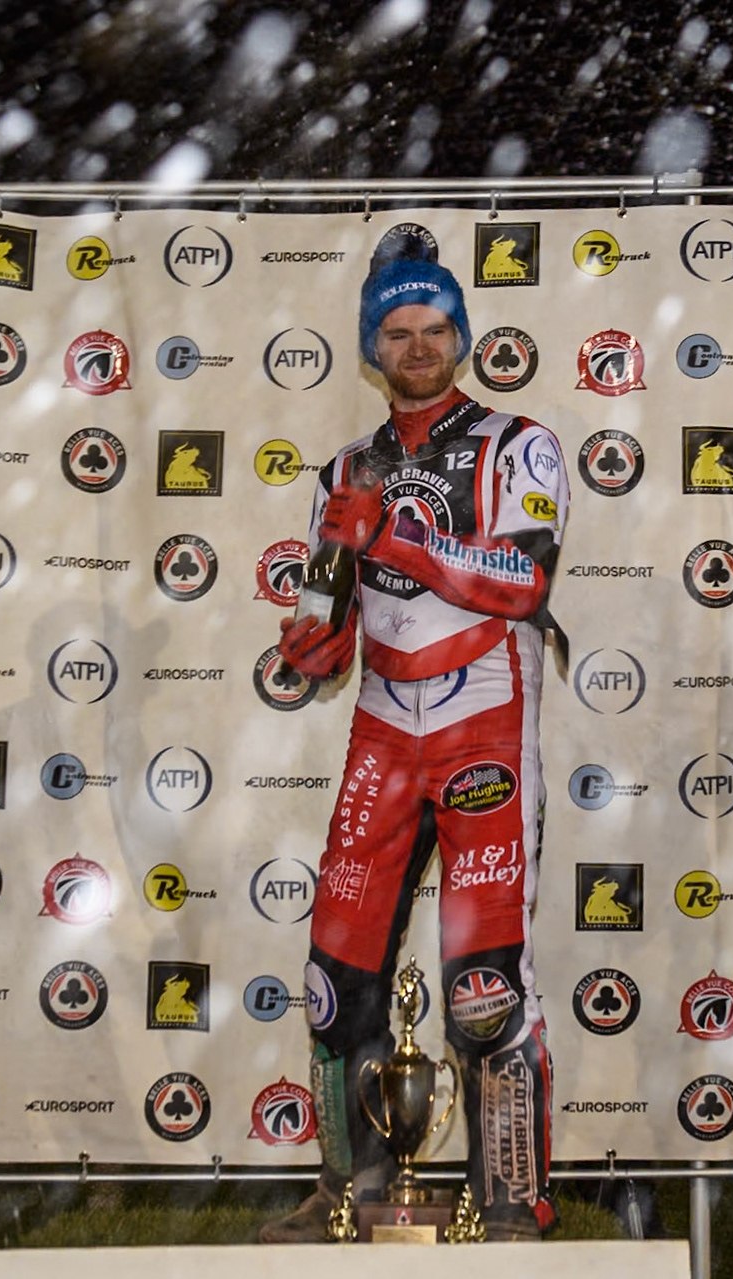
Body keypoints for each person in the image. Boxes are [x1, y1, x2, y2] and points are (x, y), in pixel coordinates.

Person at [258, 255, 569, 1242]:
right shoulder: (343, 469)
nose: (418, 346)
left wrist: (395, 535)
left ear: (462, 336)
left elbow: (524, 577)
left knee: (483, 982)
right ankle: (351, 1188)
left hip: (486, 715)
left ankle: (510, 1196)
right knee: (332, 973)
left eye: (435, 328)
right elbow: (331, 626)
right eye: (396, 333)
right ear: (370, 347)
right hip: (384, 727)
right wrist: (311, 644)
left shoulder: (521, 445)